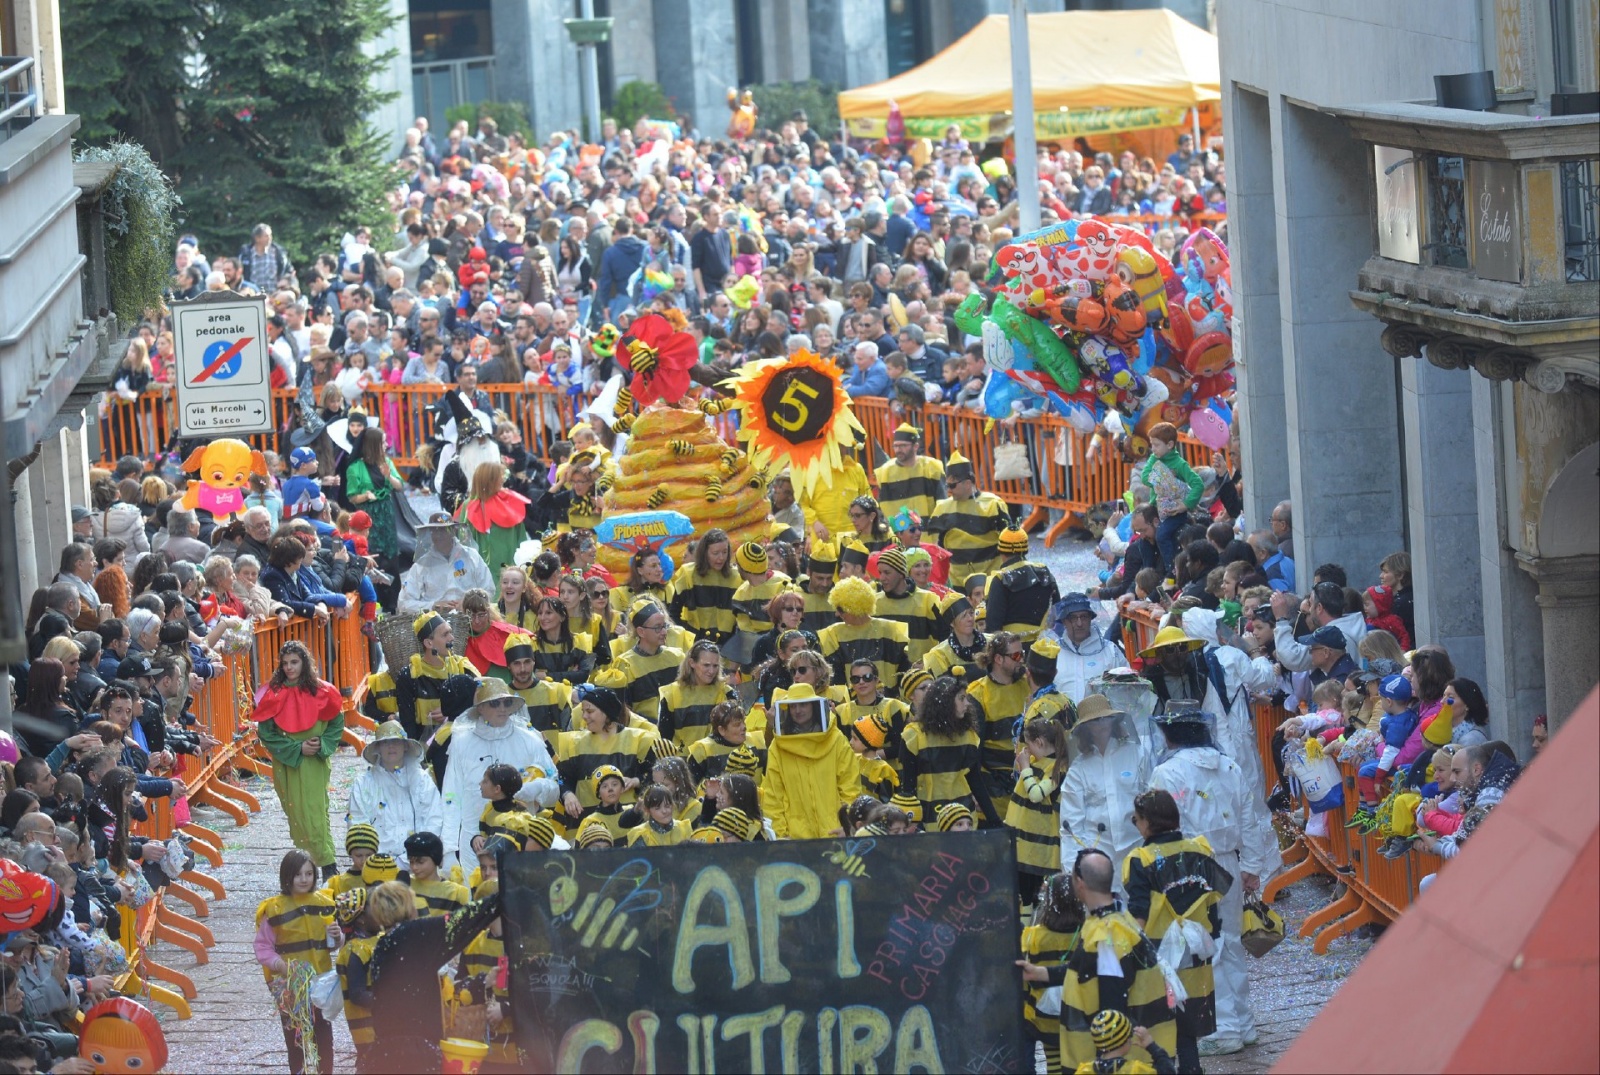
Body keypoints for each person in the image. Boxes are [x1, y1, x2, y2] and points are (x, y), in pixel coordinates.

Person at [1145, 702, 1265, 1057]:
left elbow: (1161, 827)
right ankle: (1243, 1023)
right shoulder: (1228, 765)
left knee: (1205, 946)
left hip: (1190, 868)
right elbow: (1249, 817)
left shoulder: (1168, 773)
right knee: (1229, 942)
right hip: (1227, 862)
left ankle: (1224, 1028)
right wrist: (1253, 866)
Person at [1017, 848, 1177, 1071]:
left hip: (1121, 1056)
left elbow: (1113, 995)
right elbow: (1088, 969)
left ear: (1079, 883)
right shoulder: (1116, 919)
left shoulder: (1106, 933)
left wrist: (1106, 1059)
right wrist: (1041, 973)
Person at [1124, 788, 1232, 1074]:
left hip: (1158, 955)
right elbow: (1214, 899)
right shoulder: (1199, 848)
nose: (1136, 824)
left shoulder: (1140, 859)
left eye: (1136, 819)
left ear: (1147, 821)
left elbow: (1139, 912)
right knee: (1187, 1022)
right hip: (1196, 948)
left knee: (1158, 1021)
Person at [439, 679, 559, 868]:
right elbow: (451, 795)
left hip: (520, 838)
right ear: (480, 708)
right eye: (495, 703)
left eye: (506, 703)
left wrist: (537, 788)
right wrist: (448, 847)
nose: (502, 708)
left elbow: (554, 787)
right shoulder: (461, 744)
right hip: (475, 840)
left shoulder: (530, 740)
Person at [253, 642, 345, 880]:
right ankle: (313, 861)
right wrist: (296, 748)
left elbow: (336, 722)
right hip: (288, 763)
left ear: (304, 662)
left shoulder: (322, 691)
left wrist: (321, 744)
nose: (289, 667)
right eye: (285, 663)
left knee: (314, 810)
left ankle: (328, 863)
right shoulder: (274, 694)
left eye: (294, 662)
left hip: (314, 761)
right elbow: (267, 732)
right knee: (296, 813)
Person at [254, 849, 336, 1074]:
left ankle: (325, 1071)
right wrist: (279, 965)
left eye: (309, 874)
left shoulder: (325, 903)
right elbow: (262, 946)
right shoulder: (274, 909)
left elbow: (331, 945)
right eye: (298, 874)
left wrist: (337, 937)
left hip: (320, 983)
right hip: (290, 986)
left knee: (324, 1035)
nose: (304, 879)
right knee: (294, 1038)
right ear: (286, 877)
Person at [1060, 693, 1149, 888]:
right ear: (1085, 728)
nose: (1101, 724)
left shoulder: (1136, 753)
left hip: (1136, 848)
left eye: (1105, 718)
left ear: (1114, 720)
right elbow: (1070, 826)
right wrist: (1071, 872)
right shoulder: (1078, 769)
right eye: (1094, 720)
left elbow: (1152, 802)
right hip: (1097, 854)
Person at [363, 611, 481, 741]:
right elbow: (408, 725)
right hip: (424, 747)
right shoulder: (409, 675)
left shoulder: (462, 667)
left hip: (462, 741)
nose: (452, 638)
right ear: (429, 643)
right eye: (445, 634)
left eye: (451, 632)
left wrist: (451, 712)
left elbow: (484, 700)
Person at [762, 684, 857, 839]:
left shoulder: (836, 739)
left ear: (813, 706)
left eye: (803, 704)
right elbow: (773, 796)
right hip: (794, 839)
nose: (798, 710)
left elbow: (849, 787)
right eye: (793, 706)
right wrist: (780, 835)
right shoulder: (778, 746)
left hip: (835, 834)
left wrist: (847, 825)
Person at [345, 720, 443, 858]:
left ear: (405, 746)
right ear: (378, 747)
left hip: (417, 861)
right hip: (377, 862)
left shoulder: (422, 780)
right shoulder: (363, 783)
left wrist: (420, 852)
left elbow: (434, 818)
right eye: (385, 742)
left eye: (396, 741)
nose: (391, 747)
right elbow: (357, 824)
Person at [926, 451, 1009, 587]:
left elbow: (1009, 543)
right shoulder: (942, 508)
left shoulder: (993, 504)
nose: (949, 490)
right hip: (957, 583)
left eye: (953, 485)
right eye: (947, 485)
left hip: (990, 581)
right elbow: (938, 549)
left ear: (968, 483)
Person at [816, 577, 910, 692]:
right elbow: (835, 680)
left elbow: (903, 672)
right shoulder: (832, 634)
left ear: (855, 608)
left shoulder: (891, 630)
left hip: (889, 704)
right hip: (850, 706)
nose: (836, 614)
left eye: (840, 609)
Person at [396, 512, 496, 616]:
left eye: (444, 530)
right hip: (435, 624)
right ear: (430, 533)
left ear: (453, 531)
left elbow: (489, 589)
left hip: (470, 619)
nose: (439, 535)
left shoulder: (472, 556)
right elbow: (404, 603)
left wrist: (469, 602)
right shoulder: (421, 565)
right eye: (435, 531)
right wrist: (433, 606)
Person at [1139, 423, 1202, 573]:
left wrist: (1185, 504)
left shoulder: (1180, 464)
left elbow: (1198, 484)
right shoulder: (1154, 459)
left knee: (1162, 535)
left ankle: (1172, 570)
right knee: (1143, 542)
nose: (1152, 449)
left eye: (1156, 445)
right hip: (1157, 509)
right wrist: (1163, 476)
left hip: (1174, 511)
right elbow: (1145, 478)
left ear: (1170, 444)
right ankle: (1148, 572)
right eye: (1151, 444)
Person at [985, 527, 1060, 643]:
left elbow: (993, 626)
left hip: (1012, 651)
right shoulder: (1044, 572)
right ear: (1026, 550)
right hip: (1044, 647)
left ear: (1000, 551)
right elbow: (1058, 610)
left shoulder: (1000, 579)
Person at [871, 548, 942, 666]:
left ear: (901, 573)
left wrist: (928, 662)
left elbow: (944, 639)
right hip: (886, 678)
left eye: (887, 573)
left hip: (921, 677)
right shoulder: (874, 603)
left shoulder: (929, 600)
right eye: (880, 573)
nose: (882, 577)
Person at [873, 424, 945, 521]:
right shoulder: (885, 472)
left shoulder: (931, 468)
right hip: (898, 533)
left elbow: (942, 502)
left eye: (903, 445)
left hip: (929, 533)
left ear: (915, 446)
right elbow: (881, 507)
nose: (898, 449)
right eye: (896, 446)